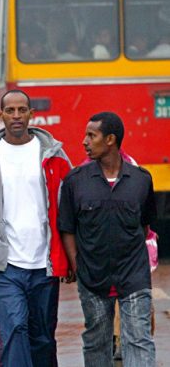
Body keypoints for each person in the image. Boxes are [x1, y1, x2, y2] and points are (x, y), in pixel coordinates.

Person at [0, 89, 72, 366]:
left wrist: (69, 255)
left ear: (31, 114)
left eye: (22, 110)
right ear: (0, 115)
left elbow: (70, 204)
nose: (16, 116)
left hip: (44, 265)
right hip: (4, 266)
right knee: (13, 329)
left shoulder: (54, 155)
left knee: (42, 338)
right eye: (10, 111)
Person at [58, 112, 156, 366]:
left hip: (133, 276)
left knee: (139, 339)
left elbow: (145, 226)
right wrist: (78, 266)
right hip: (93, 277)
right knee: (97, 342)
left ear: (110, 139)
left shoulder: (141, 180)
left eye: (92, 136)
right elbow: (67, 228)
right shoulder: (75, 182)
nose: (85, 141)